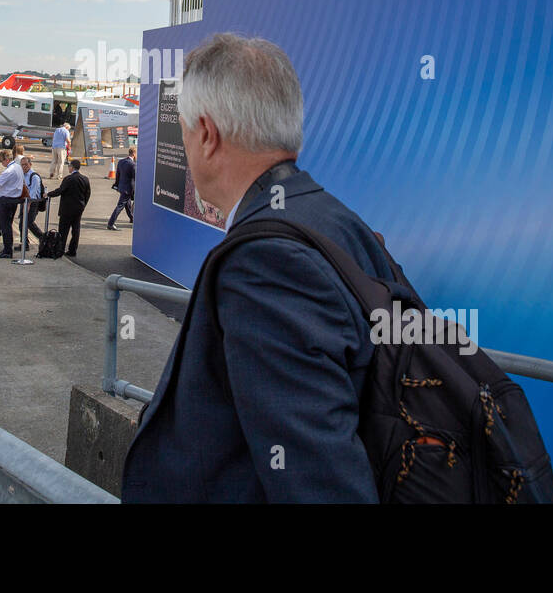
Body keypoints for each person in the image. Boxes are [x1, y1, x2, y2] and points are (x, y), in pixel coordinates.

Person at [120, 33, 395, 503]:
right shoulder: (343, 224)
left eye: (183, 128)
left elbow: (321, 485)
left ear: (206, 135)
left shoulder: (265, 264)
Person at [50, 157, 90, 259]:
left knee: (63, 230)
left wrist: (48, 194)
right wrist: (83, 204)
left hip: (67, 209)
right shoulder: (85, 179)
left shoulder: (68, 179)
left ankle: (60, 249)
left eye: (69, 166)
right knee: (76, 230)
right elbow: (87, 194)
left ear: (72, 167)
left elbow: (60, 191)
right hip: (79, 208)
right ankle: (73, 250)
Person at [0, 149, 23, 259]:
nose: (1, 163)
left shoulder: (10, 170)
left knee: (5, 226)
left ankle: (8, 250)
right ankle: (7, 248)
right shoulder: (17, 167)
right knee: (7, 225)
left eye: (1, 161)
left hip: (6, 200)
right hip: (12, 199)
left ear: (7, 159)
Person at [17, 155, 45, 252]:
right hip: (24, 201)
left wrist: (28, 205)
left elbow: (33, 194)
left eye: (26, 165)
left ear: (30, 164)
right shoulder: (23, 175)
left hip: (33, 203)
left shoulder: (34, 176)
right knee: (21, 223)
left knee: (29, 222)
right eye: (22, 165)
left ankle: (42, 237)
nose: (24, 167)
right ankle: (24, 244)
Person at [107, 145, 136, 230]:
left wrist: (116, 185)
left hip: (121, 187)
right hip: (128, 189)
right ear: (134, 154)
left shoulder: (121, 162)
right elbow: (135, 179)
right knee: (120, 206)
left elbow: (118, 175)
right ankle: (111, 223)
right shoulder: (133, 165)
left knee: (127, 204)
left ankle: (132, 218)